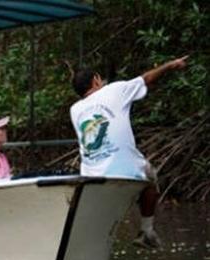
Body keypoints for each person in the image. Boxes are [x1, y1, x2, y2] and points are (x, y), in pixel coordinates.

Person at [70, 55, 188, 248]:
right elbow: (146, 78)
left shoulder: (74, 110)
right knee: (151, 177)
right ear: (96, 80)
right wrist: (171, 65)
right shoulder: (114, 90)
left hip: (91, 176)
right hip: (123, 170)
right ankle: (147, 231)